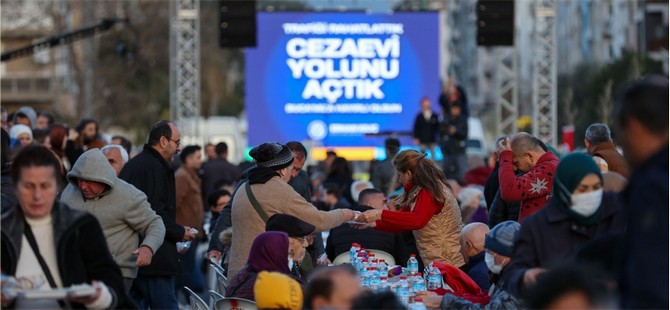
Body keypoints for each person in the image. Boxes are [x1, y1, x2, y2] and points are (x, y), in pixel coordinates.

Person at [1, 145, 125, 309]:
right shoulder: (4, 230)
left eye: (45, 186)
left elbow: (111, 281)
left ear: (57, 187)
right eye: (29, 186)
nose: (37, 196)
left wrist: (99, 296)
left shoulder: (81, 226)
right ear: (15, 187)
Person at [503, 153, 626, 299]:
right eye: (582, 189)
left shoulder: (618, 210)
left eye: (596, 187)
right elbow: (513, 273)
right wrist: (524, 277)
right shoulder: (537, 226)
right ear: (564, 188)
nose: (590, 194)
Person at [227, 142, 355, 278]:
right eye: (291, 167)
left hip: (237, 279)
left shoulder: (243, 188)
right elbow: (319, 220)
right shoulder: (279, 189)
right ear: (283, 170)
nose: (293, 174)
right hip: (262, 280)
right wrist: (345, 214)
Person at [60, 148, 166, 293]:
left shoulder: (129, 196)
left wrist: (148, 248)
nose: (83, 186)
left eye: (89, 181)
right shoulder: (69, 192)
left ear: (103, 178)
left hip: (116, 272)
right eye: (80, 180)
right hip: (77, 270)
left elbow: (155, 224)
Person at [119, 120, 196, 309]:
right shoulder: (152, 168)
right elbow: (155, 213)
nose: (179, 148)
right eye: (177, 142)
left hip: (138, 255)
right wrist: (179, 232)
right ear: (163, 141)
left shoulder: (142, 164)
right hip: (153, 260)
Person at [355, 149, 465, 267]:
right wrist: (373, 224)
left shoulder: (428, 191)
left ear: (408, 173)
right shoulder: (420, 190)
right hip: (439, 261)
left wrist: (379, 214)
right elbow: (402, 222)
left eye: (399, 175)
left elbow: (417, 220)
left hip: (448, 261)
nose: (399, 180)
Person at [615, 75, 668, 308]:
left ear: (634, 127)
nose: (622, 144)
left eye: (621, 133)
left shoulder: (653, 186)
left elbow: (651, 280)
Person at [420, 221, 524, 310]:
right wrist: (441, 295)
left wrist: (444, 301)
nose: (487, 253)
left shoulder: (518, 283)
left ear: (505, 255)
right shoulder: (507, 274)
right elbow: (486, 299)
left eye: (491, 250)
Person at [326, 188, 408, 264]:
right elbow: (402, 258)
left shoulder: (340, 223)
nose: (386, 207)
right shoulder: (389, 226)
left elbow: (329, 257)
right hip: (382, 275)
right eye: (383, 203)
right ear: (369, 203)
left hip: (345, 273)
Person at [497, 132, 559, 221]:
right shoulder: (551, 165)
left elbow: (509, 190)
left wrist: (505, 159)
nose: (514, 168)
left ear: (529, 156)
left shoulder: (549, 168)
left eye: (515, 163)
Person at [286, 141, 326, 268]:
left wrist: (321, 254)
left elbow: (311, 213)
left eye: (299, 169)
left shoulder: (302, 178)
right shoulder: (261, 178)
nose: (294, 174)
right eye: (293, 168)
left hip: (297, 245)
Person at [174, 145, 205, 299]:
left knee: (189, 268)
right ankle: (186, 301)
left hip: (193, 233)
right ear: (188, 159)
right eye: (198, 157)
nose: (201, 160)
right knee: (185, 269)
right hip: (184, 234)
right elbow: (174, 204)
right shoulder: (182, 177)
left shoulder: (192, 176)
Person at [225, 231, 295, 301]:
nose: (290, 259)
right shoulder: (274, 285)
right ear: (274, 254)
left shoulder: (241, 276)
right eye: (287, 254)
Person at [265, 214, 315, 279]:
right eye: (300, 240)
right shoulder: (269, 276)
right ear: (284, 242)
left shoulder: (290, 265)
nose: (306, 244)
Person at [201, 142, 242, 211]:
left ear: (216, 152)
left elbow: (203, 188)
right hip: (228, 206)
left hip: (210, 205)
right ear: (227, 152)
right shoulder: (234, 168)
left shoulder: (206, 167)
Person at [440, 102, 469, 182]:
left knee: (461, 171)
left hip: (459, 150)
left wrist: (456, 131)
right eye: (453, 109)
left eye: (456, 109)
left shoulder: (463, 120)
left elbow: (465, 133)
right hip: (447, 150)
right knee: (445, 170)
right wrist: (448, 130)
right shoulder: (446, 118)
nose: (455, 111)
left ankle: (461, 186)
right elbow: (441, 131)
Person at [460, 222, 491, 291]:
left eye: (461, 244)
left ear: (468, 245)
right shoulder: (497, 261)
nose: (460, 250)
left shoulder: (477, 273)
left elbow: (479, 300)